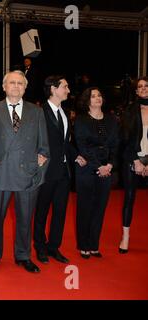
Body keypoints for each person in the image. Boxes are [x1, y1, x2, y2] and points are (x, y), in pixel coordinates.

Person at [0, 70, 49, 274]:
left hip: (26, 173)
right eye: (12, 83)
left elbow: (44, 145)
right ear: (4, 86)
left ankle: (23, 255)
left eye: (20, 83)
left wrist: (41, 161)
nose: (16, 86)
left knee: (25, 218)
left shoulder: (36, 112)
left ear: (25, 87)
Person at [33, 76, 87, 265]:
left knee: (60, 211)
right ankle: (40, 247)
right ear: (53, 89)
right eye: (65, 86)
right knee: (41, 211)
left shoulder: (64, 113)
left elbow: (64, 142)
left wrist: (75, 155)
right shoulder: (40, 112)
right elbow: (33, 139)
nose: (68, 90)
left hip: (64, 172)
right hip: (46, 171)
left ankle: (53, 247)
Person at [74, 87, 119, 259]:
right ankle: (84, 245)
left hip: (107, 170)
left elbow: (116, 144)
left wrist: (109, 165)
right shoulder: (81, 120)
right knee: (85, 208)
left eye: (99, 95)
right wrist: (98, 166)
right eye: (93, 96)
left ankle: (94, 245)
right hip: (86, 169)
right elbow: (82, 145)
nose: (97, 98)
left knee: (99, 209)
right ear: (87, 100)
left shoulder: (111, 120)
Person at [119, 76, 148, 254]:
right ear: (136, 91)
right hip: (133, 158)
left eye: (146, 86)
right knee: (129, 198)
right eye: (140, 87)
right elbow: (126, 138)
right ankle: (125, 237)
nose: (144, 88)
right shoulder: (130, 110)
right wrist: (136, 161)